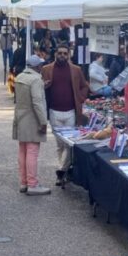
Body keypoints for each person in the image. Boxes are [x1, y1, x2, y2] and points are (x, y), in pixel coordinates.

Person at [41, 44, 90, 186]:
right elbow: (40, 88)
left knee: (69, 144)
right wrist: (44, 86)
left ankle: (61, 171)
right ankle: (64, 170)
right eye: (60, 53)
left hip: (70, 112)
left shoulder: (76, 70)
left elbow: (85, 86)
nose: (62, 55)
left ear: (68, 55)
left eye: (65, 53)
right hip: (54, 111)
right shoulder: (46, 69)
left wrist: (80, 98)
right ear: (55, 53)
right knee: (60, 145)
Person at [13, 55, 51, 195]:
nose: (42, 67)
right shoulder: (36, 79)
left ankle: (24, 182)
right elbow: (37, 102)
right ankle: (33, 184)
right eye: (40, 65)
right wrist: (43, 121)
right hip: (32, 118)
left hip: (21, 116)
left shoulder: (20, 77)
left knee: (22, 150)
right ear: (36, 67)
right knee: (32, 152)